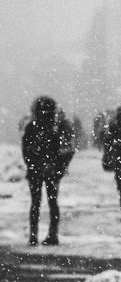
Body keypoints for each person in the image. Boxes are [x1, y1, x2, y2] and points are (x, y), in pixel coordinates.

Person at [21, 96, 75, 245]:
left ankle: (33, 236)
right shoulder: (56, 128)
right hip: (52, 171)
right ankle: (52, 235)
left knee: (35, 203)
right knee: (52, 203)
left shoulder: (32, 127)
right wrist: (57, 167)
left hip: (36, 171)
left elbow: (26, 151)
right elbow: (65, 151)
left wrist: (34, 165)